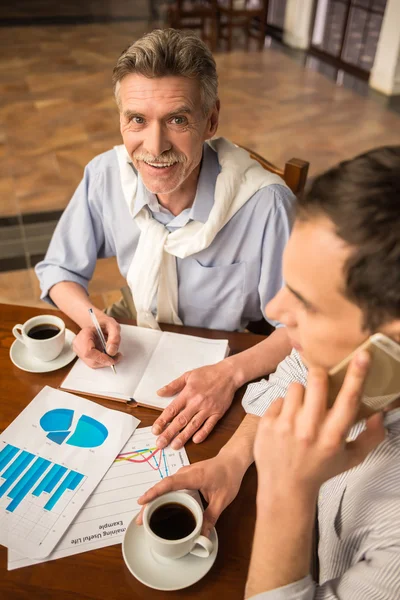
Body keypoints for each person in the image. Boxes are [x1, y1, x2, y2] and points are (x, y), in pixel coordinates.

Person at [137, 146, 400, 599]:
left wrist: (286, 494)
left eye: (308, 302)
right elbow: (295, 371)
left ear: (391, 343)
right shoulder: (357, 367)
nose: (274, 310)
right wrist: (231, 461)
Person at [35, 28, 295, 448]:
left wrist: (230, 374)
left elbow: (303, 328)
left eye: (177, 120)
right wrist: (89, 319)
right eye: (137, 120)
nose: (154, 148)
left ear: (210, 120)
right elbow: (58, 269)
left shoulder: (266, 206)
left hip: (231, 353)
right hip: (138, 325)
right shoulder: (105, 175)